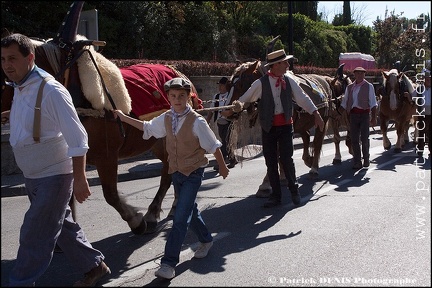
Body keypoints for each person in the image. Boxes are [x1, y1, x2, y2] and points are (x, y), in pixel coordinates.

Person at [1, 33, 110, 287]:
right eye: (3, 59)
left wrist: (81, 178)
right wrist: (12, 115)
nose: (6, 64)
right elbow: (36, 116)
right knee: (62, 226)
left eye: (12, 58)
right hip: (33, 174)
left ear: (30, 58)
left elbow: (78, 137)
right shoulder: (20, 85)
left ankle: (20, 282)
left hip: (54, 175)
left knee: (34, 233)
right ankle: (95, 266)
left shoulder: (51, 90)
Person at [112, 77, 229, 280]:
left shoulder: (197, 121)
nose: (177, 100)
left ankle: (168, 263)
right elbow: (147, 128)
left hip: (193, 173)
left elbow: (213, 146)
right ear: (168, 98)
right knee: (189, 209)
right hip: (176, 173)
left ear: (188, 98)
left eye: (181, 96)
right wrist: (123, 118)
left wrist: (223, 166)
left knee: (180, 218)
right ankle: (206, 240)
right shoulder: (166, 118)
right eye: (173, 96)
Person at [232, 49, 325, 208]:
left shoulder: (289, 81)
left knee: (287, 160)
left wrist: (316, 113)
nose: (288, 65)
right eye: (285, 62)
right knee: (270, 161)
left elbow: (303, 98)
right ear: (275, 65)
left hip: (286, 126)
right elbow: (245, 98)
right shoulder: (260, 83)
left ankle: (294, 190)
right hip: (269, 128)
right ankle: (276, 196)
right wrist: (233, 107)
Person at [337, 66, 377, 169]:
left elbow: (373, 103)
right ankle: (357, 161)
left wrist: (373, 117)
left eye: (361, 73)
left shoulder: (369, 86)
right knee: (354, 139)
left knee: (364, 138)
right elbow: (345, 102)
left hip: (364, 115)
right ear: (354, 74)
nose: (359, 75)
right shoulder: (350, 87)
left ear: (364, 74)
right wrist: (338, 113)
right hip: (353, 115)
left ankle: (366, 159)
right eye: (357, 73)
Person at [206, 76, 238, 169]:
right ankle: (232, 159)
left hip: (229, 121)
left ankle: (221, 162)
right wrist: (207, 121)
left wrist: (228, 113)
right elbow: (211, 110)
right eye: (219, 85)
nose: (220, 87)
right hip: (220, 122)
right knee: (225, 141)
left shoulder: (230, 95)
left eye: (222, 85)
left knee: (226, 141)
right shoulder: (216, 96)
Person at [416, 69, 431, 157]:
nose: (428, 81)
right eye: (427, 79)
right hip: (422, 113)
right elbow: (414, 97)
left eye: (429, 79)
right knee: (421, 132)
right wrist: (408, 96)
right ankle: (420, 149)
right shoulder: (420, 89)